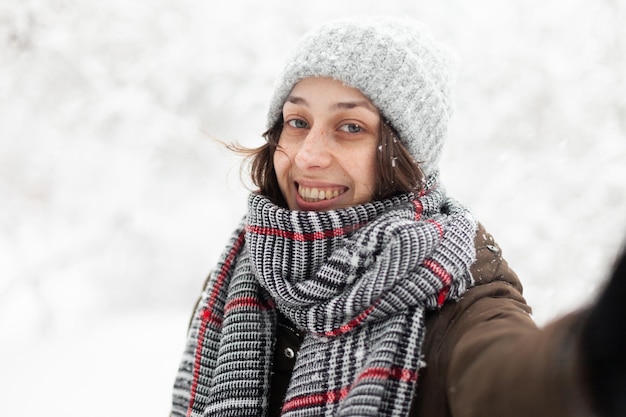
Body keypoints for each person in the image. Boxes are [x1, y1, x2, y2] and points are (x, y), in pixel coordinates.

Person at [170, 17, 626, 417]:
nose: (308, 156)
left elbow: (512, 380)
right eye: (298, 122)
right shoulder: (241, 276)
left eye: (351, 128)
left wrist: (592, 359)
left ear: (406, 154)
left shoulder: (454, 289)